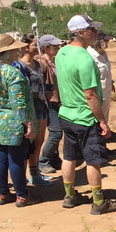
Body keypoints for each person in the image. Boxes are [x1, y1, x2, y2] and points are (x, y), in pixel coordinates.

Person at [56, 13, 116, 215]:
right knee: (93, 159)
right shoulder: (85, 59)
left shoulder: (62, 53)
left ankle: (69, 195)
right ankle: (99, 201)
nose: (95, 32)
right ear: (80, 32)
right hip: (85, 116)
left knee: (69, 156)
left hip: (66, 113)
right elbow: (91, 95)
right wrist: (102, 121)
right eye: (91, 29)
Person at [0, 34, 38, 207]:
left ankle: (2, 193)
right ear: (10, 51)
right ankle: (22, 195)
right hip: (13, 122)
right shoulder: (12, 73)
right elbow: (18, 103)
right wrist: (28, 124)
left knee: (0, 155)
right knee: (16, 158)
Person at [16, 34, 53, 187]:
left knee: (39, 142)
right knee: (29, 144)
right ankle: (24, 176)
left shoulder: (37, 64)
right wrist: (41, 94)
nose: (37, 47)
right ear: (25, 47)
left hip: (41, 106)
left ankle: (35, 173)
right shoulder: (20, 66)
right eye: (33, 45)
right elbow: (21, 90)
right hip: (31, 108)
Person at [37, 34, 63, 175]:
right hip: (49, 102)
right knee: (56, 132)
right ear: (46, 48)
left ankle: (54, 158)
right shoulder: (42, 63)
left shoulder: (53, 61)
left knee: (58, 132)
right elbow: (38, 83)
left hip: (56, 101)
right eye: (55, 46)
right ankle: (43, 161)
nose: (58, 47)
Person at [87, 31, 113, 126]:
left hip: (106, 92)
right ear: (99, 42)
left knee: (105, 115)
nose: (107, 43)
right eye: (106, 41)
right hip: (96, 94)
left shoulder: (104, 54)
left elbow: (106, 70)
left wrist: (111, 82)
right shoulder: (89, 56)